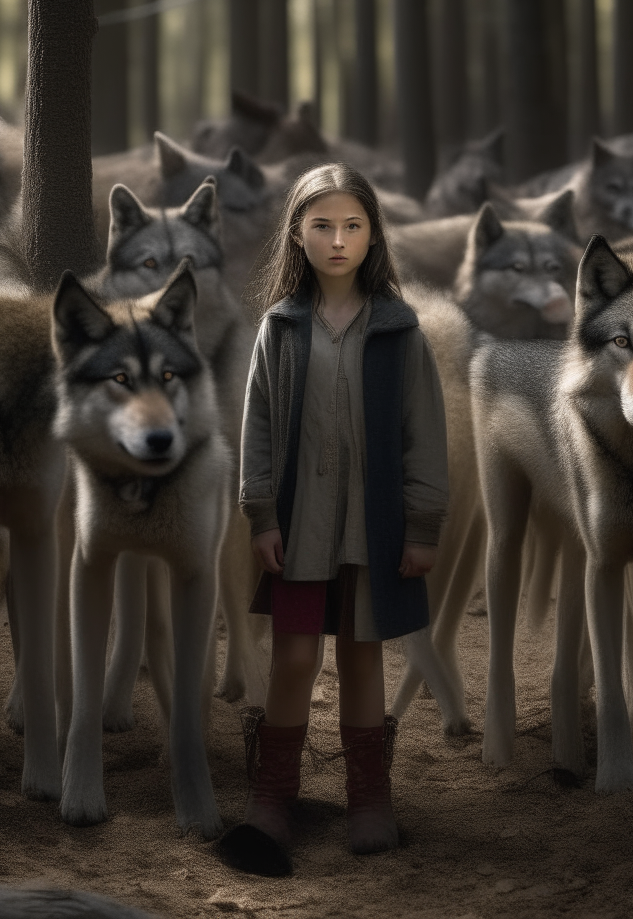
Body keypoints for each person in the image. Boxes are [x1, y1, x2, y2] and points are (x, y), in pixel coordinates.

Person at [219, 162, 448, 876]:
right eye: (322, 225)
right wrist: (260, 514)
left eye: (353, 225)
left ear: (374, 235)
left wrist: (422, 526)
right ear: (297, 233)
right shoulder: (279, 329)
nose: (338, 239)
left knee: (360, 653)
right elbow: (256, 428)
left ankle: (369, 797)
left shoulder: (401, 331)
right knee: (292, 655)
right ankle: (274, 797)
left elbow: (426, 435)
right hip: (299, 522)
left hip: (372, 526)